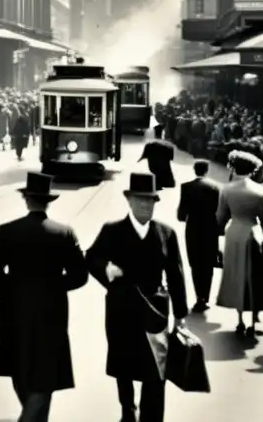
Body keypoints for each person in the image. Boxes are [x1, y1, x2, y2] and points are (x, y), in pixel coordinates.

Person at [0, 171, 88, 422]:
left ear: (27, 200)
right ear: (48, 202)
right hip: (51, 313)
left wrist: (8, 291)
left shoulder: (7, 231)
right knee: (46, 376)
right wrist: (54, 287)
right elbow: (80, 276)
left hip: (13, 312)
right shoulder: (64, 233)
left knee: (20, 371)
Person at [86, 172, 189, 422]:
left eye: (151, 200)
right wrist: (106, 270)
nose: (146, 204)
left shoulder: (166, 233)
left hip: (155, 310)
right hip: (121, 308)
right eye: (140, 199)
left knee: (156, 367)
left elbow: (176, 274)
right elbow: (91, 257)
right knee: (124, 364)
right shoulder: (112, 231)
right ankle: (127, 409)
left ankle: (151, 417)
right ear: (129, 201)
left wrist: (181, 315)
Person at [216, 150, 263, 338]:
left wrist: (216, 236)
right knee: (254, 275)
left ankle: (240, 320)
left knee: (236, 275)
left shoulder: (226, 189)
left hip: (234, 233)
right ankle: (254, 318)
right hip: (252, 232)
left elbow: (220, 217)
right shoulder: (259, 191)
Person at [176, 158, 220, 312]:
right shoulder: (216, 187)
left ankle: (198, 297)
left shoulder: (186, 187)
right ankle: (205, 297)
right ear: (207, 171)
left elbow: (181, 215)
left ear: (194, 170)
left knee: (195, 263)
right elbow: (219, 213)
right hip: (210, 229)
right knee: (208, 265)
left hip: (193, 228)